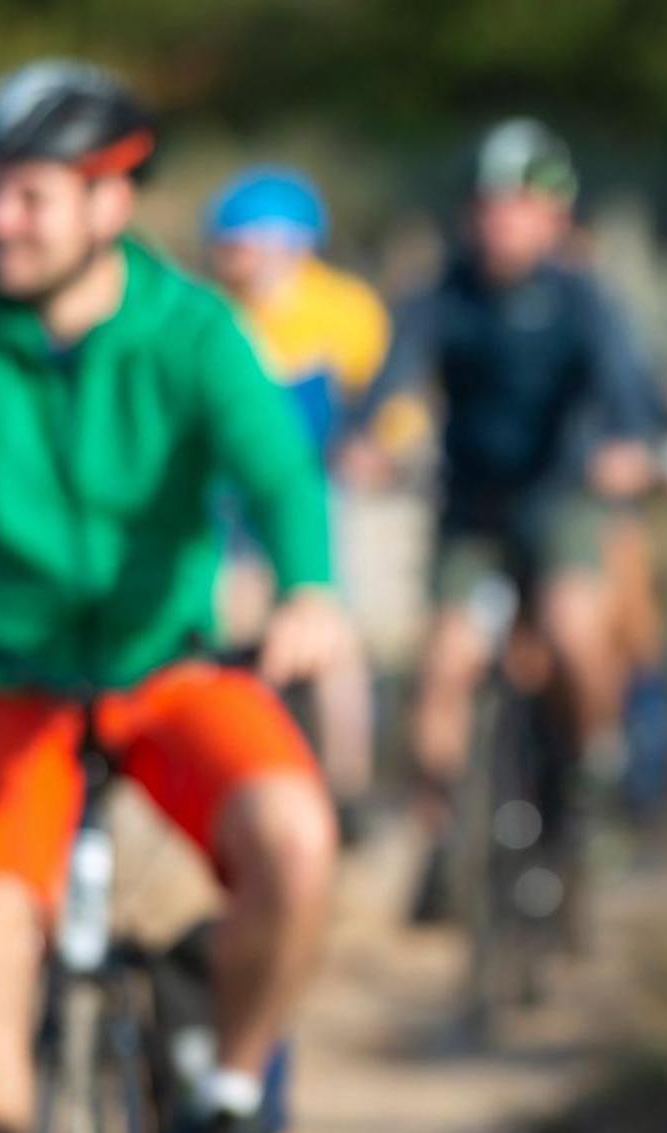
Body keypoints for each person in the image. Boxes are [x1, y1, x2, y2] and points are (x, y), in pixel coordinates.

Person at [0, 60, 347, 1133]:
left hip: (165, 672)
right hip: (4, 691)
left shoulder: (186, 332)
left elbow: (279, 473)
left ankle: (227, 1091)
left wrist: (306, 588)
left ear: (109, 203)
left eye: (28, 197)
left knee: (295, 835)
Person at [345, 117, 667, 915]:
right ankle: (443, 834)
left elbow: (631, 395)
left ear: (554, 216)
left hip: (560, 501)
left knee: (571, 630)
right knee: (445, 664)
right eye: (487, 204)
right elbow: (391, 380)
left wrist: (634, 447)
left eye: (518, 204)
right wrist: (365, 440)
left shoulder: (583, 301)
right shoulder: (438, 295)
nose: (499, 220)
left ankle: (593, 771)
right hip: (471, 509)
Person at [204, 165, 423, 836]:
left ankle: (345, 786)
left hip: (313, 502)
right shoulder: (209, 314)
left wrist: (380, 449)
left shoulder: (342, 309)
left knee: (333, 642)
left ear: (283, 243)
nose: (228, 257)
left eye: (238, 243)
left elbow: (395, 407)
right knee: (224, 632)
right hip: (221, 507)